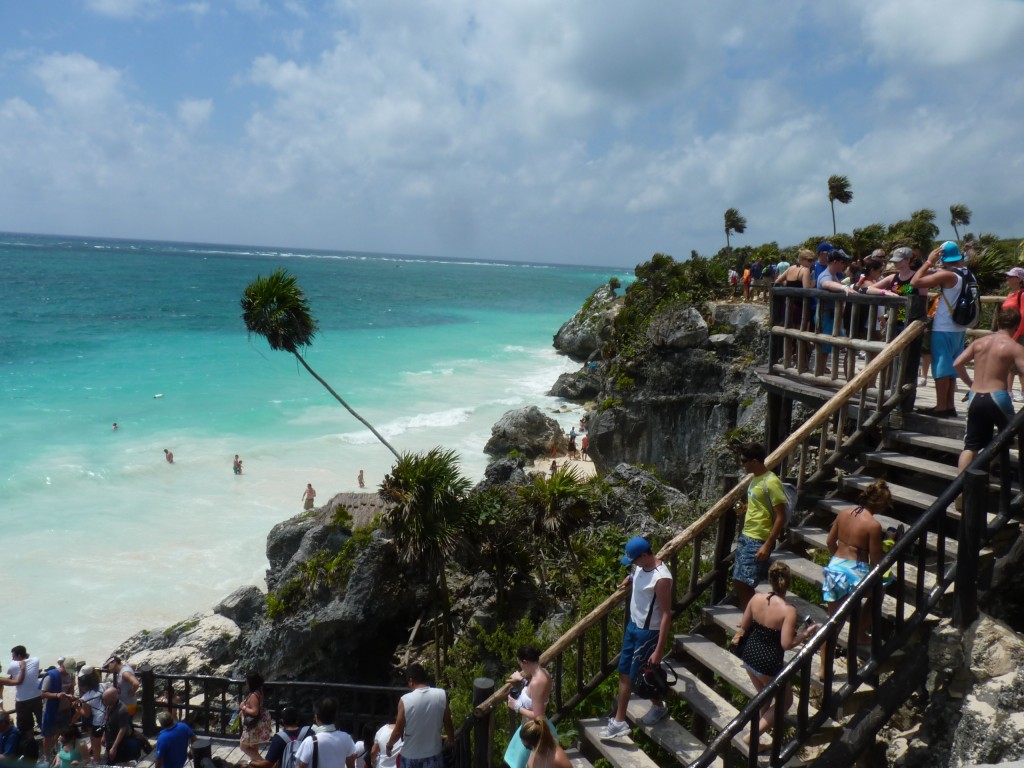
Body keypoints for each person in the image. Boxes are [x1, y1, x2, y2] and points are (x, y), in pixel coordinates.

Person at [731, 562, 817, 744]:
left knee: (764, 695)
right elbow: (786, 644)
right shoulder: (789, 610)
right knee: (785, 702)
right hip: (768, 663)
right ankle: (752, 737)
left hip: (749, 655)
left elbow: (745, 625)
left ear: (770, 580)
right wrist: (805, 634)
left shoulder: (756, 598)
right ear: (788, 582)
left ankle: (758, 735)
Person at [600, 535, 672, 739]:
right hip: (633, 625)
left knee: (638, 677)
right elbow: (638, 576)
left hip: (648, 632)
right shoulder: (641, 566)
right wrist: (629, 579)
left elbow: (667, 614)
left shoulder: (662, 578)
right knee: (624, 672)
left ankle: (650, 709)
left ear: (644, 555)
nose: (633, 564)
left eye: (634, 560)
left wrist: (659, 650)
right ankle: (620, 721)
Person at [954, 308, 1024, 476]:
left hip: (975, 396)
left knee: (970, 446)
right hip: (998, 396)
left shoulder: (979, 342)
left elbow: (957, 363)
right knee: (1009, 434)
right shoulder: (1014, 347)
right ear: (1017, 327)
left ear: (998, 323)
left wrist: (970, 383)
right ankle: (992, 467)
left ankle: (959, 492)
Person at [821, 479, 888, 650]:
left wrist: (838, 561)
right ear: (880, 505)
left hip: (835, 564)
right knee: (878, 592)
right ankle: (860, 633)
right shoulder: (873, 525)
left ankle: (823, 668)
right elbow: (875, 560)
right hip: (855, 569)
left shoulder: (844, 513)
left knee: (833, 623)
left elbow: (830, 541)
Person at [911, 241, 973, 417]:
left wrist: (929, 261)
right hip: (959, 327)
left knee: (941, 367)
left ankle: (940, 407)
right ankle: (949, 405)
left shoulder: (947, 275)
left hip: (944, 327)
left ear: (943, 257)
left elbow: (915, 282)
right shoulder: (967, 274)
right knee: (952, 367)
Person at [732, 443, 787, 611]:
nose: (742, 464)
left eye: (744, 461)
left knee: (745, 581)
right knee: (739, 580)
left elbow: (781, 516)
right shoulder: (755, 479)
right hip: (747, 535)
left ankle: (752, 619)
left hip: (759, 538)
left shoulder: (771, 482)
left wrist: (768, 544)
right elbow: (761, 505)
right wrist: (745, 508)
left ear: (755, 461)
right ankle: (749, 618)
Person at [385, 664, 454, 768]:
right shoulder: (441, 695)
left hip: (410, 756)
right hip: (433, 754)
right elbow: (448, 722)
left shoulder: (405, 700)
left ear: (411, 680)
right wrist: (451, 740)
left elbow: (398, 731)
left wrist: (389, 745)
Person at [503, 646, 553, 768]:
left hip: (533, 733)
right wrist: (522, 680)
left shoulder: (537, 682)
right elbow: (535, 695)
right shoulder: (544, 673)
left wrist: (516, 706)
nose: (521, 668)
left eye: (521, 664)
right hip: (528, 728)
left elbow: (538, 715)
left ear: (525, 662)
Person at [296, 697, 356, 768]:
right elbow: (351, 765)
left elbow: (301, 766)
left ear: (316, 717)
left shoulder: (310, 741)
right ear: (335, 716)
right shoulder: (346, 738)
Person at [0, 646, 42, 738]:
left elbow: (13, 679)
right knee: (41, 721)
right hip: (37, 696)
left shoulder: (12, 665)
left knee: (26, 727)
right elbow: (17, 680)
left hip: (22, 700)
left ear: (18, 656)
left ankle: (29, 744)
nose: (12, 659)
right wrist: (23, 668)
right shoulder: (35, 660)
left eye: (13, 656)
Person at [76, 666, 109, 763]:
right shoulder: (104, 686)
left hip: (97, 722)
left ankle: (97, 762)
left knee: (96, 747)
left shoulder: (86, 698)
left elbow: (86, 714)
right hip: (107, 718)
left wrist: (77, 707)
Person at [1000, 268, 1024, 400]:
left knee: (1020, 363)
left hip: (1020, 333)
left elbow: (1023, 316)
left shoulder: (1022, 294)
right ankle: (1008, 391)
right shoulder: (1010, 294)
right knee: (1009, 363)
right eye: (1007, 275)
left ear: (1019, 279)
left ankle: (1022, 391)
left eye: (1011, 276)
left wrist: (1016, 335)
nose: (1007, 278)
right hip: (1009, 333)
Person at [238, 671, 272, 764]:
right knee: (254, 746)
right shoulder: (260, 691)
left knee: (243, 746)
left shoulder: (253, 695)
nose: (246, 682)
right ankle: (256, 764)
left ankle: (264, 763)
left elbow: (254, 711)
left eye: (247, 681)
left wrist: (243, 707)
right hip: (260, 721)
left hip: (253, 725)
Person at [102, 687, 139, 765]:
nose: (104, 702)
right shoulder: (109, 706)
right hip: (109, 740)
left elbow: (122, 729)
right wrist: (104, 736)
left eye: (106, 700)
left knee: (119, 763)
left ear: (113, 698)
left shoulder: (122, 710)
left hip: (120, 743)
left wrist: (114, 747)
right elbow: (107, 721)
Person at [40, 662, 65, 757]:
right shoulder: (50, 677)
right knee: (47, 735)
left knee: (55, 732)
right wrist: (57, 695)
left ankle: (54, 748)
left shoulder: (59, 676)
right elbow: (43, 694)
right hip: (49, 709)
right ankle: (47, 756)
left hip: (56, 708)